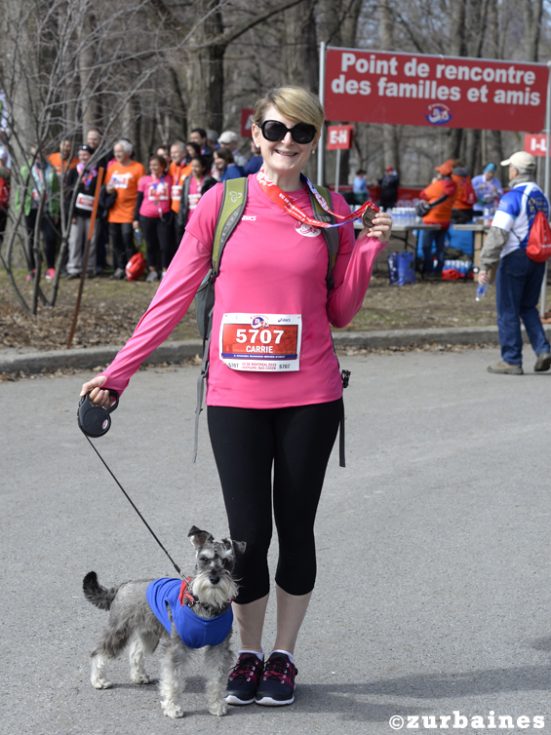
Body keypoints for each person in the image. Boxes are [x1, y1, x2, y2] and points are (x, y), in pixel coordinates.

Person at [79, 85, 391, 708]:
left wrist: (369, 246)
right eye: (275, 130)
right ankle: (247, 652)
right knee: (248, 535)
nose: (287, 143)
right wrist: (116, 375)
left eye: (301, 132)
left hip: (310, 396)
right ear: (256, 134)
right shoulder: (223, 202)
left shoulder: (331, 210)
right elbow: (171, 296)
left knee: (296, 528)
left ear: (313, 140)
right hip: (234, 396)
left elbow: (341, 311)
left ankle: (284, 655)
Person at [477, 151, 551, 375]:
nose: (509, 171)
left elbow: (498, 233)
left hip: (515, 257)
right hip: (538, 258)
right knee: (527, 307)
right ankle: (543, 349)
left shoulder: (512, 197)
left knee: (507, 308)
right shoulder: (542, 197)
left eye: (510, 167)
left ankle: (511, 359)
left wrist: (485, 264)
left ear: (516, 171)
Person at [101, 139, 145, 279]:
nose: (117, 154)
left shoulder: (138, 168)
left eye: (120, 151)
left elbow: (141, 191)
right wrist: (108, 190)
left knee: (128, 240)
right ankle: (119, 268)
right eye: (115, 152)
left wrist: (137, 214)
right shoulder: (112, 168)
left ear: (128, 152)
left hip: (130, 211)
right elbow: (107, 186)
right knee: (116, 242)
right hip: (114, 212)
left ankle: (131, 268)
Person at [17, 146, 60, 281]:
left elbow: (56, 191)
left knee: (49, 238)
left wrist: (56, 211)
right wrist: (19, 206)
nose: (38, 156)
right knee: (31, 239)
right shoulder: (26, 169)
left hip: (47, 208)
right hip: (31, 208)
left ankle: (51, 267)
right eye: (35, 154)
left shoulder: (51, 169)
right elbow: (20, 189)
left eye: (41, 153)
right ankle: (33, 268)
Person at [134, 154, 173, 281]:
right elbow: (139, 200)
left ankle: (165, 269)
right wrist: (136, 218)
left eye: (156, 165)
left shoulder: (169, 179)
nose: (153, 167)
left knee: (164, 245)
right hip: (146, 216)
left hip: (163, 217)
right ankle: (152, 270)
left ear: (162, 166)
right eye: (151, 165)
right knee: (150, 245)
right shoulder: (144, 180)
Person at [65, 144, 100, 278]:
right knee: (75, 240)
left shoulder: (97, 172)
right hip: (77, 213)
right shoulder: (74, 171)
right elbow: (68, 193)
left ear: (91, 156)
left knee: (91, 241)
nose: (83, 157)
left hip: (92, 213)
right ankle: (73, 267)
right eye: (80, 155)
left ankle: (89, 267)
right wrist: (71, 213)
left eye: (86, 155)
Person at [418, 159, 456, 277]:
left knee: (426, 247)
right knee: (440, 248)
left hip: (431, 221)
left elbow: (423, 194)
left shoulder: (438, 185)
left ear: (442, 174)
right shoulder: (453, 185)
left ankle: (428, 270)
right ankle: (438, 270)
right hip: (444, 221)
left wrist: (433, 183)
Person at [175, 154, 216, 231]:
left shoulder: (209, 182)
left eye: (197, 166)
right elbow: (183, 202)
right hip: (189, 220)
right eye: (192, 166)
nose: (194, 169)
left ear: (203, 168)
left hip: (204, 220)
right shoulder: (187, 181)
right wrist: (181, 220)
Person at [168, 140, 192, 248]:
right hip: (172, 209)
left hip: (185, 210)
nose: (173, 155)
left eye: (176, 152)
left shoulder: (190, 167)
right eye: (171, 152)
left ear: (184, 153)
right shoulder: (171, 166)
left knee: (183, 242)